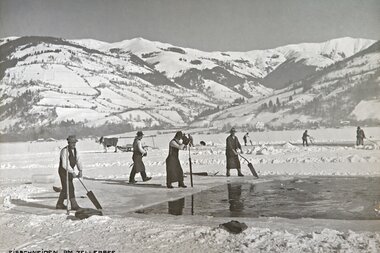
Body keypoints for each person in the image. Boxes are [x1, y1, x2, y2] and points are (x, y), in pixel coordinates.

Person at [56, 135, 83, 210]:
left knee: (66, 188)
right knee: (69, 187)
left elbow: (78, 160)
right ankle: (74, 205)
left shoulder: (75, 150)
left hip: (70, 171)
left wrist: (80, 170)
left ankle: (59, 204)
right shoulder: (64, 151)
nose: (74, 144)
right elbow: (65, 164)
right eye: (72, 143)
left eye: (75, 142)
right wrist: (72, 172)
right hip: (63, 171)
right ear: (68, 143)